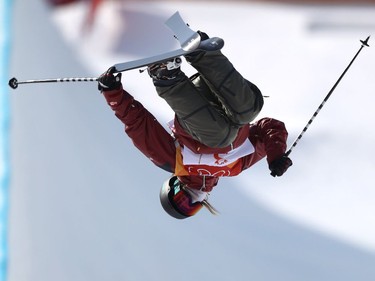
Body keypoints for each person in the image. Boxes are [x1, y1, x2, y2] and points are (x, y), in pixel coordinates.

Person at [98, 32, 292, 219]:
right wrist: (275, 155)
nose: (190, 200)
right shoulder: (237, 167)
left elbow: (138, 124)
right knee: (250, 109)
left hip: (195, 107)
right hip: (221, 96)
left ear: (173, 186)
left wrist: (113, 94)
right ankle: (204, 54)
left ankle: (166, 78)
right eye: (191, 208)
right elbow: (271, 126)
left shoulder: (175, 163)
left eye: (181, 200)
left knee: (221, 137)